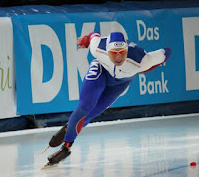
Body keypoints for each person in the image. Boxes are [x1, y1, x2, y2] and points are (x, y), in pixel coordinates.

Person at [43, 31, 171, 167]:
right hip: (101, 70)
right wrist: (86, 40)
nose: (118, 57)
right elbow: (94, 35)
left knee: (90, 114)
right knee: (86, 106)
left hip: (120, 83)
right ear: (107, 50)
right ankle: (68, 144)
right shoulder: (98, 47)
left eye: (122, 52)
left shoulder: (141, 60)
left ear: (126, 49)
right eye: (113, 53)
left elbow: (165, 53)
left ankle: (69, 131)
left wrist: (167, 50)